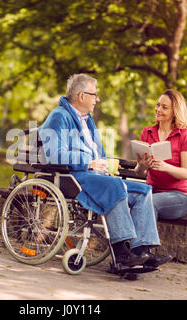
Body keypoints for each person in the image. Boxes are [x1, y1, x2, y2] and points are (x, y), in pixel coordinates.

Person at [38, 73, 170, 268]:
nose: (97, 99)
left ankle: (141, 251)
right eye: (94, 95)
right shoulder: (59, 116)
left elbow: (99, 153)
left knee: (144, 191)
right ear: (82, 96)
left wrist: (106, 166)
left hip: (94, 176)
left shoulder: (87, 120)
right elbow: (55, 155)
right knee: (114, 186)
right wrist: (90, 163)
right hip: (73, 176)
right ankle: (121, 252)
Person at [134, 89, 187, 220]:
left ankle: (142, 241)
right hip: (150, 191)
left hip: (178, 196)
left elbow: (186, 173)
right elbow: (139, 173)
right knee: (125, 199)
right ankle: (141, 241)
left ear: (175, 112)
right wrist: (142, 166)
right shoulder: (147, 132)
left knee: (147, 202)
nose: (158, 109)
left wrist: (165, 167)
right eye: (158, 105)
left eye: (164, 107)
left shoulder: (184, 135)